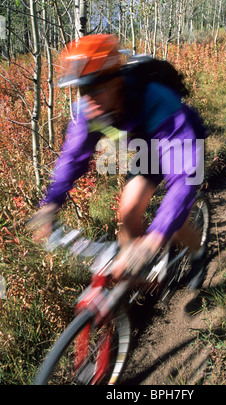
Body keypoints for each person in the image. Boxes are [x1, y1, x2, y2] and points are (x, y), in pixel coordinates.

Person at [29, 34, 207, 288]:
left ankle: (198, 251)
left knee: (174, 225)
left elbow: (184, 177)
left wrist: (154, 238)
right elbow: (73, 157)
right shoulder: (91, 109)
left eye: (94, 88)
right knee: (129, 211)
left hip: (182, 141)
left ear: (115, 82)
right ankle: (141, 275)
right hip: (147, 148)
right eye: (82, 90)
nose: (87, 99)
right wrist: (51, 204)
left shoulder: (156, 100)